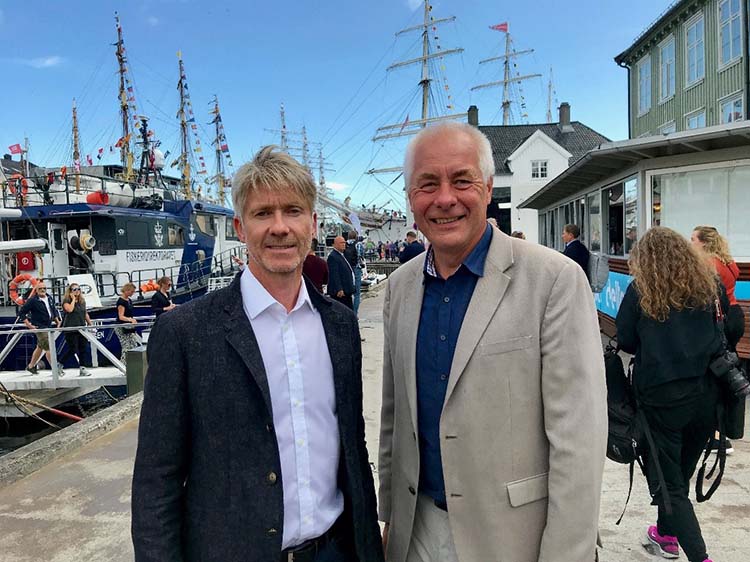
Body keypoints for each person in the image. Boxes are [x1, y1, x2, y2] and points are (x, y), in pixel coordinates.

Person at [132, 146, 383, 562]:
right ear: (240, 227)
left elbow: (353, 450)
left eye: (293, 211)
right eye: (263, 213)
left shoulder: (340, 326)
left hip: (334, 551)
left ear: (313, 224)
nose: (280, 227)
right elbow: (156, 481)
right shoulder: (185, 334)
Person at [379, 122, 607, 562]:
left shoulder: (553, 281)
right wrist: (391, 517)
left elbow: (579, 441)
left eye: (461, 180)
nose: (445, 198)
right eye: (428, 184)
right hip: (417, 531)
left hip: (512, 539)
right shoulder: (400, 288)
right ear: (410, 199)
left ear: (487, 189)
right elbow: (395, 417)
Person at [616, 227, 722, 562]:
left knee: (670, 485)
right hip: (706, 395)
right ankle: (666, 534)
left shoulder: (641, 290)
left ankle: (700, 557)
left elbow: (626, 340)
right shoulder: (708, 285)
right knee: (679, 475)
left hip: (661, 397)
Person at [691, 224, 744, 455]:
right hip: (735, 315)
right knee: (724, 371)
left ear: (703, 242)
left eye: (693, 239)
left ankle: (714, 435)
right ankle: (724, 429)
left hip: (719, 319)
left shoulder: (708, 265)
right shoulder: (728, 262)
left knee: (713, 373)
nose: (690, 243)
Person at [19, 281, 63, 377]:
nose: (43, 290)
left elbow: (53, 310)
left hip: (48, 325)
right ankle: (56, 369)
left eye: (44, 288)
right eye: (40, 288)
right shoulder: (32, 300)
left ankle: (31, 366)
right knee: (49, 347)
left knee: (40, 346)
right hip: (39, 326)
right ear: (36, 290)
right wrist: (29, 325)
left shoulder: (49, 298)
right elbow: (22, 312)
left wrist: (57, 321)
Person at [60, 282, 93, 377]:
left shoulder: (82, 301)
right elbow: (70, 309)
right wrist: (73, 299)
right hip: (70, 328)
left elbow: (85, 313)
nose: (77, 291)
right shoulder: (66, 301)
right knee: (73, 348)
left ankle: (83, 368)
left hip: (81, 327)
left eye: (78, 289)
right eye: (74, 289)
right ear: (70, 291)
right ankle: (60, 363)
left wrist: (90, 324)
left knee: (83, 348)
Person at [327, 235, 355, 309]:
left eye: (344, 243)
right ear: (335, 244)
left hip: (347, 290)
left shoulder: (342, 255)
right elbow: (334, 274)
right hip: (341, 292)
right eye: (341, 243)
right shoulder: (333, 257)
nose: (344, 244)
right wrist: (339, 288)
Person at [115, 283, 140, 362]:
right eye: (132, 291)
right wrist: (130, 319)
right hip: (122, 326)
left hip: (129, 326)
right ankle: (123, 364)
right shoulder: (121, 302)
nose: (133, 293)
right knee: (126, 346)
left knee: (133, 345)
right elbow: (121, 316)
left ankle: (132, 363)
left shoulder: (129, 300)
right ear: (126, 290)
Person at [344, 230, 364, 314]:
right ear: (356, 236)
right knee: (357, 293)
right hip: (356, 268)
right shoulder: (358, 244)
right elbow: (361, 256)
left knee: (348, 292)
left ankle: (348, 311)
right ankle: (354, 313)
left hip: (347, 269)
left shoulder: (345, 244)